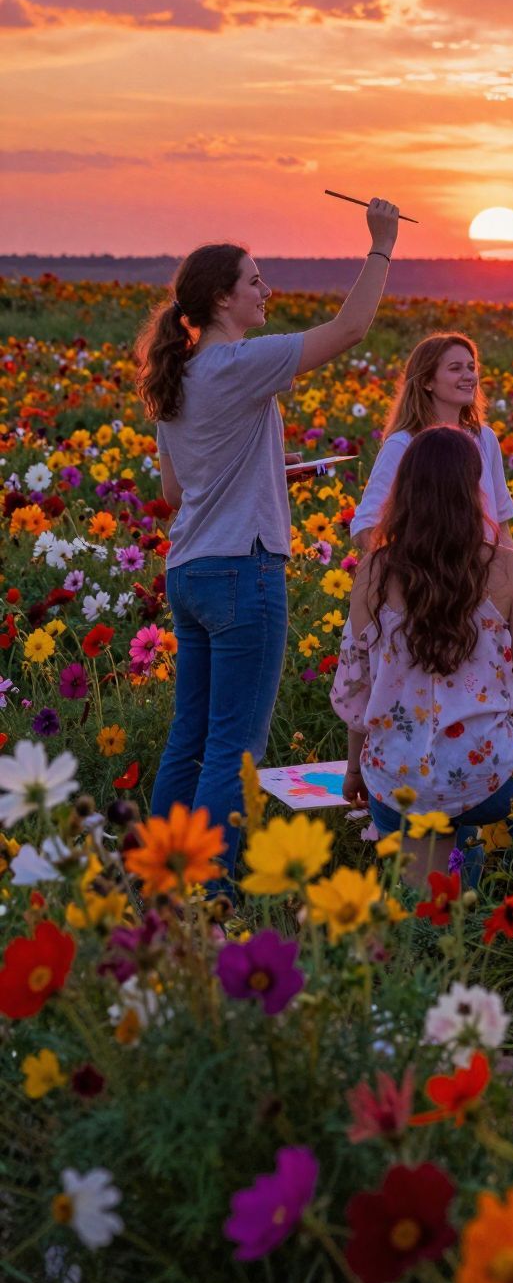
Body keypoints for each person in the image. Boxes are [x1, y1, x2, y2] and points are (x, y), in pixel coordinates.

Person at [136, 199, 401, 886]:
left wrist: (259, 471)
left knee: (190, 739)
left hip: (189, 568)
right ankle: (207, 896)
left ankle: (159, 883)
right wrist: (381, 244)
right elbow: (351, 328)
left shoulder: (178, 378)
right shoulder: (238, 363)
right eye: (254, 281)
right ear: (223, 299)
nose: (267, 291)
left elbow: (176, 489)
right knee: (235, 747)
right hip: (241, 570)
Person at [332, 426, 513, 883]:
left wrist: (355, 770)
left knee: (429, 908)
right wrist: (501, 725)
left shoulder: (373, 570)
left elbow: (357, 692)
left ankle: (454, 886)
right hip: (488, 778)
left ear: (404, 489)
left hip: (397, 782)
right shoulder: (506, 568)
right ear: (474, 489)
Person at [350, 332, 513, 554]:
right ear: (426, 381)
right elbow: (365, 528)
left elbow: (500, 527)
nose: (469, 376)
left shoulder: (484, 438)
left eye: (471, 367)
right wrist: (410, 566)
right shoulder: (403, 444)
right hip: (428, 572)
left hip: (484, 572)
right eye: (455, 368)